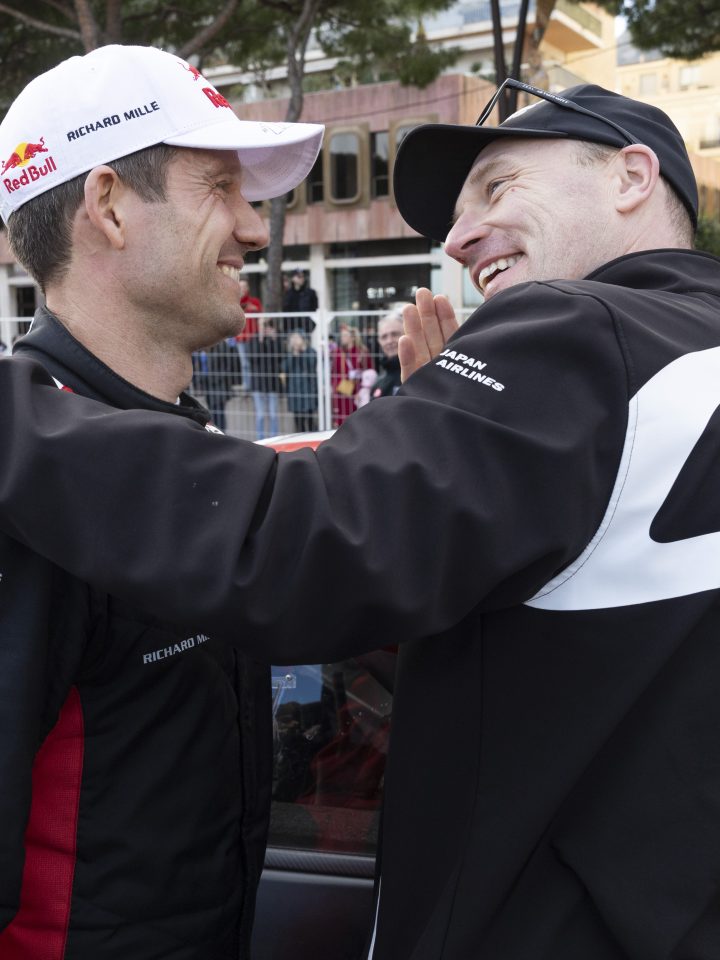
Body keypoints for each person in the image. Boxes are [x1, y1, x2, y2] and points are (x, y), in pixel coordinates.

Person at [1, 80, 720, 960]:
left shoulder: (582, 333)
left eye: (498, 187)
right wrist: (457, 447)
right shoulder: (683, 349)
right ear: (109, 207)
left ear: (632, 178)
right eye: (221, 189)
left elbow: (297, 546)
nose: (455, 239)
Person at [0, 43, 323, 959]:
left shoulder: (168, 444)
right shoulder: (27, 488)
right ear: (107, 207)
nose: (254, 230)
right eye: (219, 188)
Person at [247, 317, 282, 439]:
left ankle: (275, 439)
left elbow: (279, 358)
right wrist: (260, 340)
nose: (265, 328)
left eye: (267, 325)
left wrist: (275, 340)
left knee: (273, 415)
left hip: (272, 383)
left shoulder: (275, 339)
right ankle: (260, 439)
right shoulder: (254, 339)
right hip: (258, 383)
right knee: (260, 415)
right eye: (262, 325)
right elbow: (253, 359)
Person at [331, 323, 372, 426]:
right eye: (341, 336)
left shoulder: (362, 352)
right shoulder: (338, 353)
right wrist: (340, 386)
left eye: (345, 335)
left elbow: (369, 372)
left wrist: (362, 390)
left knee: (359, 421)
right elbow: (333, 374)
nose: (342, 338)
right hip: (343, 392)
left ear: (352, 337)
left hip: (359, 392)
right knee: (343, 422)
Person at [281, 329, 318, 432]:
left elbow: (311, 364)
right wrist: (294, 355)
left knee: (310, 420)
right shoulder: (290, 354)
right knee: (298, 421)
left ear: (303, 339)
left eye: (297, 337)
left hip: (308, 391)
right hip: (295, 392)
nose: (294, 340)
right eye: (292, 338)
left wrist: (303, 352)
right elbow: (285, 368)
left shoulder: (310, 351)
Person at [236, 276, 263, 387]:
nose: (242, 289)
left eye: (244, 286)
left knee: (254, 362)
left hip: (253, 338)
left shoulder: (255, 302)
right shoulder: (234, 302)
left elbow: (261, 319)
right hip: (240, 338)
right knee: (244, 363)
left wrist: (261, 336)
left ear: (248, 288)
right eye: (240, 286)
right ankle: (247, 385)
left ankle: (255, 385)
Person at [370, 308, 403, 400]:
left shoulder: (419, 375)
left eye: (395, 334)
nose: (389, 341)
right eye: (384, 337)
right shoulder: (378, 384)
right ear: (379, 341)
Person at [282, 268, 318, 336]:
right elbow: (285, 310)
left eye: (302, 276)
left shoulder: (310, 293)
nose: (301, 279)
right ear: (293, 278)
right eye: (299, 276)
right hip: (291, 328)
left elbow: (315, 309)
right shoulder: (288, 294)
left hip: (305, 328)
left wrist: (311, 326)